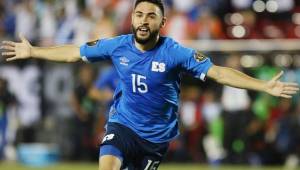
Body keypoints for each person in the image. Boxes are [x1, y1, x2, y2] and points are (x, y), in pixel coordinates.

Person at [1, 0, 299, 169]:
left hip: (156, 137)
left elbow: (219, 72)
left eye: (151, 16)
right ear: (132, 18)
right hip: (123, 123)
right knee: (107, 166)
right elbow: (74, 53)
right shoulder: (117, 45)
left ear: (162, 22)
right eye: (139, 14)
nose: (144, 20)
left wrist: (263, 86)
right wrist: (34, 50)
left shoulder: (176, 53)